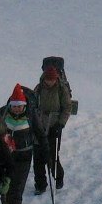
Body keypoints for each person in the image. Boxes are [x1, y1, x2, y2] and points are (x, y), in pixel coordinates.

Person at [0, 83, 37, 204]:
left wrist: (44, 152)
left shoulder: (31, 115)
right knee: (5, 187)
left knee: (16, 190)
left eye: (20, 106)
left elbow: (40, 134)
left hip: (24, 156)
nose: (17, 108)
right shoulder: (3, 114)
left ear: (24, 105)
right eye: (14, 106)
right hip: (6, 156)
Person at [33, 64, 72, 194]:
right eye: (48, 79)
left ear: (56, 78)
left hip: (54, 126)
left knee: (52, 154)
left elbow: (67, 108)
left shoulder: (62, 89)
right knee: (38, 156)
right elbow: (33, 105)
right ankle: (40, 184)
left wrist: (60, 124)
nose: (50, 82)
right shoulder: (38, 88)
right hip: (39, 125)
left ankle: (58, 177)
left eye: (52, 79)